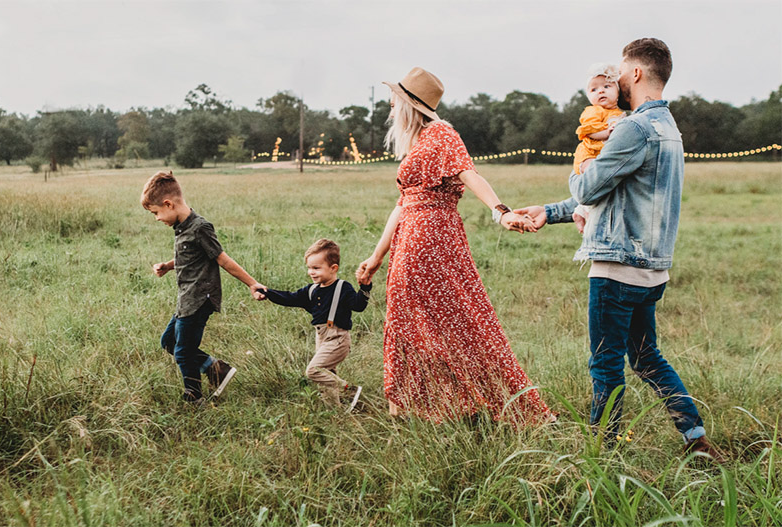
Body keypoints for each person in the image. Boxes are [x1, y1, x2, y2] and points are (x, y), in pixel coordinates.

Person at [514, 38, 725, 462]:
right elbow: (616, 193)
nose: (615, 80)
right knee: (646, 357)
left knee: (605, 363)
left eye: (621, 72)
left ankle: (601, 452)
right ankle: (695, 438)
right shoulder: (668, 128)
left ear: (637, 74)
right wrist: (551, 211)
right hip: (652, 269)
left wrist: (582, 169)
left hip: (617, 267)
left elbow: (591, 186)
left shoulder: (633, 127)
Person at [355, 67, 553, 425]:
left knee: (459, 320)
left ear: (409, 104)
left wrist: (500, 211)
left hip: (431, 237)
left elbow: (469, 173)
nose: (389, 104)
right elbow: (402, 205)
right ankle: (413, 406)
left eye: (394, 99)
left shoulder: (441, 134)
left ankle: (482, 402)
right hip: (411, 237)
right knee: (409, 320)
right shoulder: (416, 143)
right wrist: (376, 257)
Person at [142, 170, 265, 402]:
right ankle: (216, 370)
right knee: (169, 341)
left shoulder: (200, 227)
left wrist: (252, 284)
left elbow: (223, 260)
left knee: (183, 351)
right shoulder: (181, 227)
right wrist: (168, 266)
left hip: (200, 299)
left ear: (168, 204)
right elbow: (190, 258)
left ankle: (194, 395)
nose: (157, 218)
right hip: (186, 298)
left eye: (156, 213)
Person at [256, 239, 370, 411]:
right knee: (326, 377)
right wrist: (267, 293)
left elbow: (359, 306)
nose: (311, 272)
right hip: (321, 337)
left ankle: (349, 390)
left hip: (338, 338)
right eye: (309, 268)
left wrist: (365, 287)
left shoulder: (342, 287)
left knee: (314, 371)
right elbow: (290, 298)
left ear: (333, 268)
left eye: (316, 268)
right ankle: (335, 411)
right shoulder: (312, 290)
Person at [572, 63, 626, 234]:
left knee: (603, 181)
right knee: (594, 176)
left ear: (618, 91)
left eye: (607, 86)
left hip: (601, 154)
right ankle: (586, 211)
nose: (600, 91)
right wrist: (606, 133)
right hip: (589, 153)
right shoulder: (593, 111)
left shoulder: (619, 113)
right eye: (594, 90)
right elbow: (588, 131)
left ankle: (581, 210)